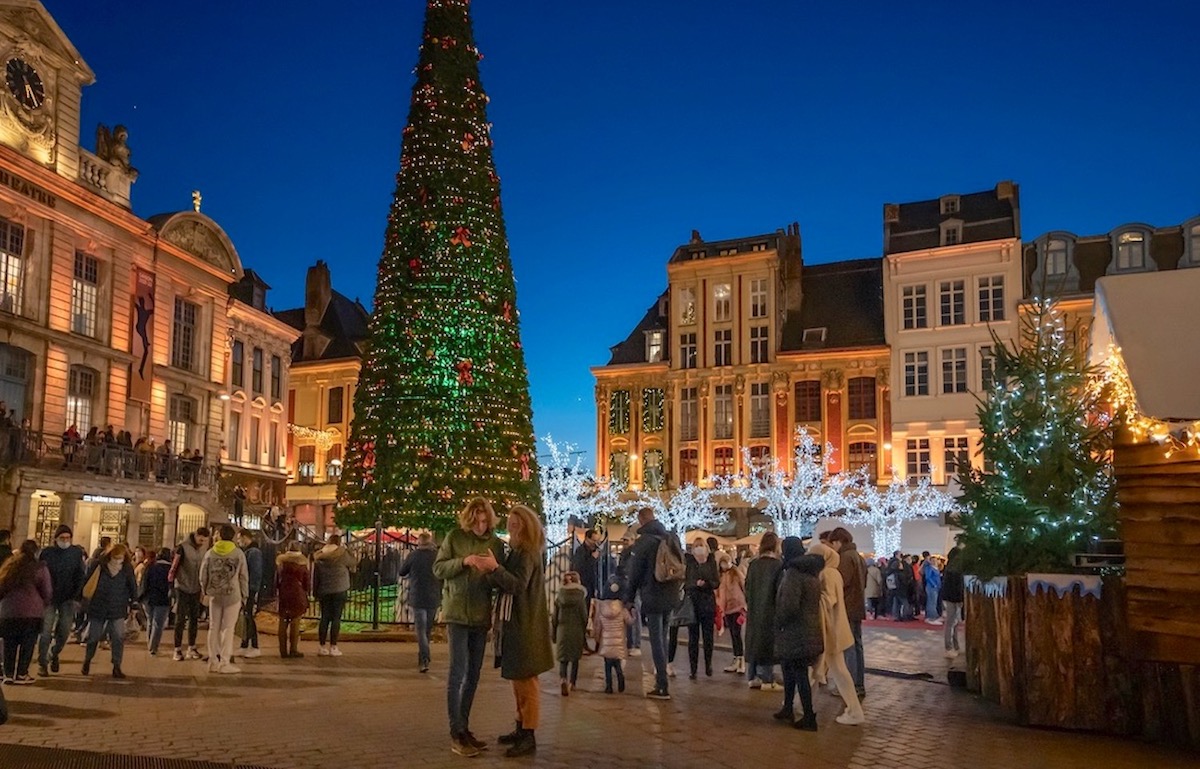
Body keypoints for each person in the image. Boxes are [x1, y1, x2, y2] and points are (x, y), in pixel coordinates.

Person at [433, 497, 506, 758]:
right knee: (457, 671)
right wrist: (464, 562)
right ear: (469, 518)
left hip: (480, 614)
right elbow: (438, 568)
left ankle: (464, 727)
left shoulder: (495, 543)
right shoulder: (455, 537)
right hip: (457, 614)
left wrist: (492, 569)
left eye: (485, 521)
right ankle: (456, 731)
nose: (480, 525)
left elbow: (500, 576)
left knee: (473, 674)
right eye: (476, 521)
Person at [490, 503, 554, 759]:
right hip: (516, 621)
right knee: (518, 680)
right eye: (510, 522)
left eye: (517, 523)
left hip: (525, 623)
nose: (512, 526)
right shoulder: (518, 550)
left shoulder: (526, 552)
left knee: (527, 681)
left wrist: (495, 569)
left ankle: (529, 734)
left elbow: (517, 585)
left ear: (526, 525)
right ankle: (521, 726)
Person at [621, 506, 684, 701]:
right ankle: (663, 675)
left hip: (653, 594)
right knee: (663, 636)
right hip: (671, 593)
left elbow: (635, 574)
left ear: (641, 521)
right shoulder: (670, 537)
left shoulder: (644, 543)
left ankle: (662, 685)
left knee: (656, 639)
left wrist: (629, 599)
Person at [807, 542, 867, 725]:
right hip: (833, 629)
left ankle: (854, 711)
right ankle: (800, 704)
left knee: (831, 671)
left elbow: (829, 600)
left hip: (831, 630)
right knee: (823, 670)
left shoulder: (828, 573)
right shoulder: (833, 572)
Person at [772, 537, 824, 730]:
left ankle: (809, 716)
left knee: (799, 673)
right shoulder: (812, 572)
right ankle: (788, 707)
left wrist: (779, 620)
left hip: (795, 631)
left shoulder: (793, 573)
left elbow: (789, 605)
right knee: (791, 670)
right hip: (809, 628)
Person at [81, 544, 137, 679]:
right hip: (98, 607)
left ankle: (116, 666)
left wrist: (134, 604)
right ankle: (87, 660)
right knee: (93, 637)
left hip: (117, 609)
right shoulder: (99, 565)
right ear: (110, 555)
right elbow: (87, 581)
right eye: (116, 557)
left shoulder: (126, 568)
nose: (118, 560)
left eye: (121, 558)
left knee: (118, 638)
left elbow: (132, 586)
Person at [0, 540, 52, 684]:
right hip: (32, 613)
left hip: (8, 612)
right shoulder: (40, 568)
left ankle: (8, 674)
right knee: (27, 644)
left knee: (9, 643)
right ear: (36, 552)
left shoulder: (10, 566)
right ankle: (22, 673)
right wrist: (43, 604)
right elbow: (47, 591)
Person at [200, 524, 248, 674]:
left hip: (214, 594)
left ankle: (212, 661)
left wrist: (205, 590)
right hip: (233, 595)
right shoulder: (238, 553)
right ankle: (225, 662)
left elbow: (203, 576)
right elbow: (243, 576)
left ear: (219, 535)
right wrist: (245, 595)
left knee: (213, 627)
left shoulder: (210, 553)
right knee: (228, 629)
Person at [37, 524, 85, 676]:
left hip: (68, 598)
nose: (65, 540)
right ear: (55, 539)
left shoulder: (75, 553)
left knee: (64, 631)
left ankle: (54, 652)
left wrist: (77, 595)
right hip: (49, 598)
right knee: (45, 632)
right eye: (62, 538)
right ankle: (42, 663)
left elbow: (80, 575)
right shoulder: (47, 553)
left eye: (67, 538)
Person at [829, 527, 867, 700]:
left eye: (833, 543)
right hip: (858, 606)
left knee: (848, 647)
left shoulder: (845, 557)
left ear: (838, 541)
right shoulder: (858, 557)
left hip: (848, 607)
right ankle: (858, 684)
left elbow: (840, 583)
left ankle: (849, 686)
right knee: (857, 646)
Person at [744, 532, 782, 691]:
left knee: (754, 642)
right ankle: (767, 678)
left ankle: (752, 676)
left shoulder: (754, 564)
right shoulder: (778, 565)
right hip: (770, 610)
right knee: (767, 643)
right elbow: (779, 591)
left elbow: (747, 587)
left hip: (754, 609)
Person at [399, 531, 440, 672]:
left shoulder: (413, 555)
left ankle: (424, 659)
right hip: (433, 596)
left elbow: (402, 572)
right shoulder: (437, 556)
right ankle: (423, 658)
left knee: (421, 630)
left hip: (417, 596)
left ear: (419, 542)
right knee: (427, 630)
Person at [170, 527, 210, 661]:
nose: (202, 541)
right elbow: (174, 566)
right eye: (201, 538)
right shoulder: (182, 547)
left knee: (194, 619)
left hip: (196, 588)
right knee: (180, 619)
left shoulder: (203, 549)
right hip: (182, 587)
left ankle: (191, 647)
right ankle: (177, 649)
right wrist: (172, 583)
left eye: (205, 540)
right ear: (196, 535)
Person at [313, 534, 355, 657]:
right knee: (336, 618)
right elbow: (353, 561)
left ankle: (321, 646)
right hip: (339, 589)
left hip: (324, 590)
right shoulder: (342, 554)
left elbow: (316, 577)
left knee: (324, 618)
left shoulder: (319, 556)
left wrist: (315, 592)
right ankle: (333, 646)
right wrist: (348, 550)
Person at [551, 570, 587, 696]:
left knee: (563, 659)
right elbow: (584, 615)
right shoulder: (580, 596)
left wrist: (554, 634)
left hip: (562, 629)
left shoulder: (560, 596)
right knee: (575, 659)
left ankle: (562, 679)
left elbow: (554, 617)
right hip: (577, 630)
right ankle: (573, 683)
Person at [593, 578, 630, 694]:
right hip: (618, 642)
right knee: (617, 665)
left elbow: (598, 626)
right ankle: (620, 680)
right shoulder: (622, 608)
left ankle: (608, 687)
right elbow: (629, 621)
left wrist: (597, 639)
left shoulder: (601, 609)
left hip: (606, 644)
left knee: (607, 667)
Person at [275, 542, 310, 659]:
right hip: (298, 595)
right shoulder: (302, 565)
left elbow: (276, 581)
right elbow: (307, 583)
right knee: (295, 623)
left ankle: (282, 651)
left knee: (282, 622)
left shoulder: (281, 564)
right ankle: (293, 650)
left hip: (284, 594)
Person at [716, 550, 747, 674]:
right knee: (733, 634)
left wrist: (745, 605)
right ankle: (736, 658)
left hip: (738, 607)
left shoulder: (736, 573)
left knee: (737, 633)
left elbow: (744, 586)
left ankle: (741, 659)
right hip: (727, 608)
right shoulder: (720, 576)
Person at [234, 529, 263, 659]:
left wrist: (251, 590)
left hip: (250, 589)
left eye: (240, 538)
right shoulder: (248, 552)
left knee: (249, 617)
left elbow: (255, 573)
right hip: (246, 589)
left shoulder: (254, 553)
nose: (239, 541)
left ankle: (254, 646)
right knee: (246, 617)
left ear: (246, 537)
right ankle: (245, 644)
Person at [140, 548, 172, 656]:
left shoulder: (150, 566)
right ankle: (153, 648)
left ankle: (150, 644)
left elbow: (144, 583)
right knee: (158, 624)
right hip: (163, 599)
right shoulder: (170, 569)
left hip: (148, 598)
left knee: (150, 621)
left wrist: (141, 597)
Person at [942, 547, 965, 657]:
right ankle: (949, 647)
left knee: (953, 622)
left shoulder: (949, 567)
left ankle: (955, 646)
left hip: (949, 597)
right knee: (951, 623)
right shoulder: (956, 568)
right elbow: (958, 585)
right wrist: (961, 599)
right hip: (954, 597)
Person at [570, 528, 601, 602]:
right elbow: (580, 567)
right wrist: (592, 558)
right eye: (593, 540)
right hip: (584, 584)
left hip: (593, 584)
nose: (595, 543)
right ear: (587, 538)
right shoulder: (581, 551)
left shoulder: (595, 550)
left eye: (597, 540)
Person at [922, 551, 943, 625]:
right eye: (933, 560)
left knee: (933, 602)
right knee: (932, 602)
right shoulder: (929, 568)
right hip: (931, 587)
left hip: (936, 587)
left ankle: (932, 616)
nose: (934, 562)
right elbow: (928, 577)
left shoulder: (936, 568)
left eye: (935, 560)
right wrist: (934, 584)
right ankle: (931, 617)